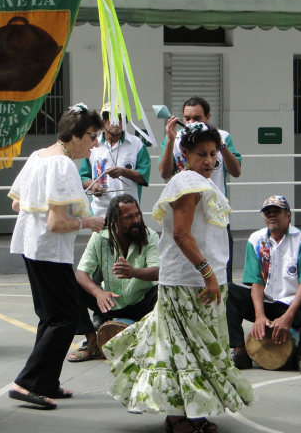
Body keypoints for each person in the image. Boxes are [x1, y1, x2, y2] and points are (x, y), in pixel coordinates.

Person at [103, 122, 254, 433]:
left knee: (200, 350)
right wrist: (208, 273)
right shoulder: (186, 181)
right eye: (201, 154)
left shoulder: (201, 181)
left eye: (214, 154)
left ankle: (195, 413)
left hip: (202, 281)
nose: (209, 160)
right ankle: (176, 417)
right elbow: (181, 233)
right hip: (187, 282)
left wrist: (213, 277)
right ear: (184, 153)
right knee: (182, 352)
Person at [7, 103, 105, 410]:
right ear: (76, 136)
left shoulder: (39, 156)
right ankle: (27, 383)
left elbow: (17, 205)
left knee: (50, 317)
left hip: (31, 247)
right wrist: (88, 222)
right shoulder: (62, 165)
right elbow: (56, 223)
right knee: (65, 317)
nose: (94, 145)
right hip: (50, 251)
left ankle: (45, 381)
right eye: (92, 137)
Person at [227, 196, 301, 376]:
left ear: (289, 215)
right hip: (265, 304)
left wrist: (288, 316)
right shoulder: (255, 240)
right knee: (227, 290)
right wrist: (260, 316)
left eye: (277, 212)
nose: (272, 216)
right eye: (268, 213)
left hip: (292, 305)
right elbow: (256, 281)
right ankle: (240, 350)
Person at [67, 194, 160, 362]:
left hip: (141, 303)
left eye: (137, 214)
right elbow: (81, 273)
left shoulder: (150, 236)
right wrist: (98, 293)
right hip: (111, 301)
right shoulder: (99, 237)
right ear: (114, 220)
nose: (136, 220)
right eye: (129, 217)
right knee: (72, 286)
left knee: (163, 291)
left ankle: (152, 342)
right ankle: (92, 341)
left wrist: (134, 272)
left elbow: (157, 271)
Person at [158, 96, 242, 281]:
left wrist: (220, 144)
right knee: (189, 267)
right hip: (188, 213)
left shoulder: (221, 137)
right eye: (187, 118)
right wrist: (171, 140)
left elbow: (236, 170)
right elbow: (164, 173)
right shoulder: (176, 139)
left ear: (208, 117)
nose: (190, 123)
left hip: (214, 215)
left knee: (220, 269)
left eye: (197, 118)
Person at [79, 103, 151, 217]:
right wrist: (93, 186)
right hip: (100, 212)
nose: (117, 122)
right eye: (112, 118)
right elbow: (83, 177)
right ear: (103, 120)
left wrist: (123, 172)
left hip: (128, 211)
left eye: (121, 118)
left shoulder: (136, 144)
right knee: (100, 235)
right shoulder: (93, 145)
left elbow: (144, 176)